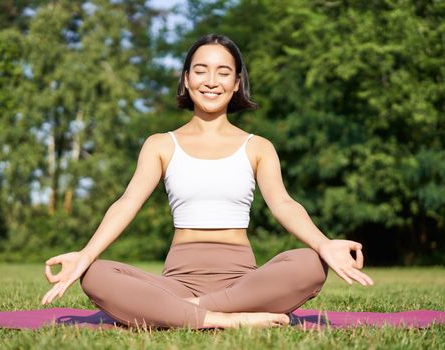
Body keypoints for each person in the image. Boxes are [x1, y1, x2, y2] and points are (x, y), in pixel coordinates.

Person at [41, 34, 374, 329]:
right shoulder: (160, 144)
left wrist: (324, 244)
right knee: (96, 276)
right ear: (186, 79)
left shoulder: (258, 147)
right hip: (176, 284)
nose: (211, 81)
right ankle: (222, 318)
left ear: (237, 82)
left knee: (312, 264)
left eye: (223, 72)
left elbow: (284, 203)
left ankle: (180, 314)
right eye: (201, 70)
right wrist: (85, 255)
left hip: (243, 282)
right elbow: (128, 202)